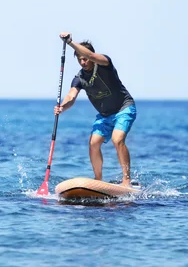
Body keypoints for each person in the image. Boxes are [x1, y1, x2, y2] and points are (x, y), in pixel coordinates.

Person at [54, 32, 137, 186]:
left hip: (124, 108)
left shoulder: (105, 63)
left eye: (84, 58)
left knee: (117, 139)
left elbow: (92, 55)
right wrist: (62, 107)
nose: (83, 62)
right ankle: (98, 180)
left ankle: (126, 180)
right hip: (105, 115)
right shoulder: (79, 78)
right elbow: (71, 97)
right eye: (79, 59)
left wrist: (70, 42)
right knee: (93, 143)